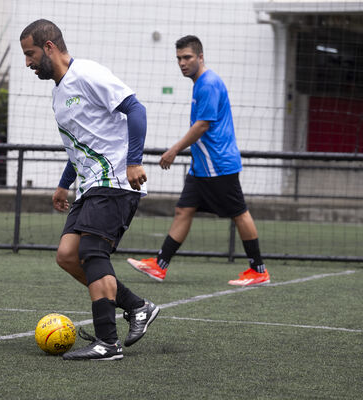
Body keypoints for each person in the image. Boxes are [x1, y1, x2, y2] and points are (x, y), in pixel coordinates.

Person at [20, 19, 159, 361]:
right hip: (90, 186)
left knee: (93, 254)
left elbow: (135, 108)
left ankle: (107, 343)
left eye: (31, 54)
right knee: (68, 255)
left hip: (113, 182)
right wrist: (63, 185)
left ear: (49, 46)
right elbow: (79, 146)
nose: (28, 63)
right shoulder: (58, 95)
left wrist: (135, 160)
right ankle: (137, 307)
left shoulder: (88, 73)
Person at [127, 35, 270, 287]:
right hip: (202, 166)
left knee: (239, 213)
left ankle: (258, 270)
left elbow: (203, 125)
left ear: (200, 57)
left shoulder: (208, 83)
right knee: (184, 209)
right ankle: (160, 265)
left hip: (218, 165)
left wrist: (174, 150)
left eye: (187, 57)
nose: (182, 63)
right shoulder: (199, 83)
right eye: (179, 58)